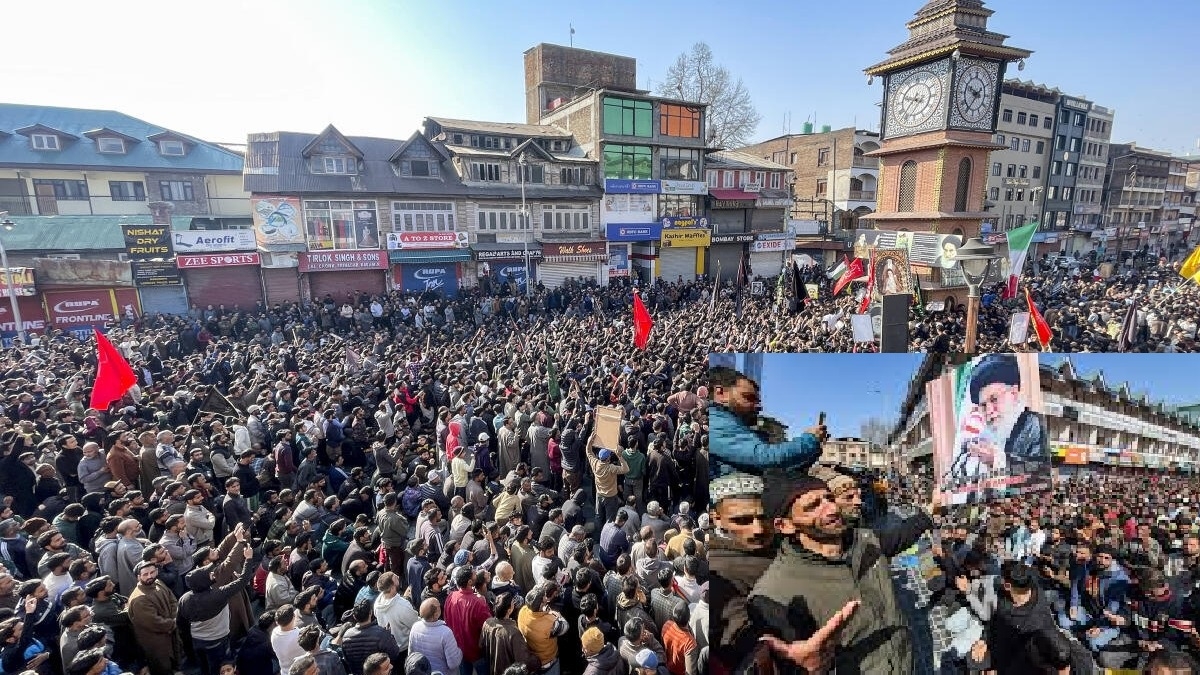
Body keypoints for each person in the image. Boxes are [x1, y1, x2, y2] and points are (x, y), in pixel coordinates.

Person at [748, 473, 911, 673]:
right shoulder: (773, 595)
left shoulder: (866, 540)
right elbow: (795, 661)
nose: (832, 509)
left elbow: (903, 536)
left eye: (829, 498)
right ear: (785, 525)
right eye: (813, 506)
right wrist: (805, 670)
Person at [708, 367, 825, 476]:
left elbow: (777, 470)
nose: (759, 407)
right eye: (749, 397)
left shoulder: (735, 426)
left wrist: (814, 449)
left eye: (757, 401)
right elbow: (765, 458)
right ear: (720, 393)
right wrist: (810, 439)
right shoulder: (715, 421)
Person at [127, 561, 183, 675]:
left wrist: (174, 617)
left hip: (170, 633)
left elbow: (173, 601)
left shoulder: (158, 583)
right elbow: (154, 622)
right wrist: (172, 623)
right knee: (163, 668)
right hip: (157, 642)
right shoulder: (139, 599)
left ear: (157, 571)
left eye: (152, 572)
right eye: (145, 574)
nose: (150, 576)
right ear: (138, 577)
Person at [408, 598, 462, 675]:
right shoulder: (446, 633)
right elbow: (453, 664)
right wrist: (460, 651)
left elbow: (411, 655)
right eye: (438, 606)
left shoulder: (415, 627)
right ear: (435, 614)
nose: (440, 606)